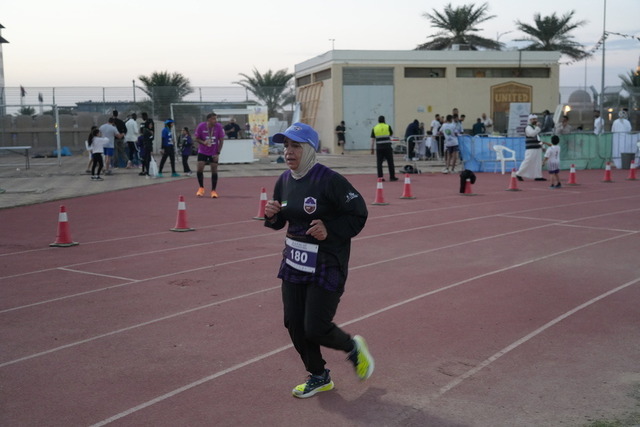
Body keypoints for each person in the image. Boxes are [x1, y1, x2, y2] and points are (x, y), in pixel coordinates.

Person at [262, 122, 374, 399]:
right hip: (294, 262)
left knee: (315, 327)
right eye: (286, 146)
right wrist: (272, 215)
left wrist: (329, 229)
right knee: (293, 323)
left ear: (310, 149)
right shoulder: (284, 180)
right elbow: (281, 220)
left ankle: (352, 348)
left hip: (326, 262)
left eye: (296, 146)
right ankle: (319, 376)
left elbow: (358, 214)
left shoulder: (330, 180)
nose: (288, 152)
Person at [194, 112, 225, 198]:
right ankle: (201, 188)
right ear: (209, 119)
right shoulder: (201, 126)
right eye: (213, 119)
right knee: (200, 168)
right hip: (203, 151)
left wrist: (218, 153)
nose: (215, 120)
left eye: (216, 118)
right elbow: (196, 138)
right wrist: (203, 142)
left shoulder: (218, 126)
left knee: (214, 169)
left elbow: (221, 141)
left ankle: (213, 191)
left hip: (213, 152)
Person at [516, 114, 548, 182]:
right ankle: (519, 174)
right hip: (531, 148)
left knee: (538, 163)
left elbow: (538, 139)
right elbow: (532, 134)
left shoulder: (535, 128)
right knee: (528, 161)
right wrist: (537, 127)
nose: (534, 120)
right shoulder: (528, 127)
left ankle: (538, 176)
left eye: (535, 119)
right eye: (533, 119)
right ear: (530, 120)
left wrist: (542, 146)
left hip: (537, 148)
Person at [370, 115, 398, 182]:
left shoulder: (375, 128)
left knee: (379, 163)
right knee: (390, 162)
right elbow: (392, 135)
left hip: (379, 148)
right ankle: (392, 177)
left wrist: (372, 149)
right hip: (387, 147)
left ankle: (380, 177)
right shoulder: (388, 126)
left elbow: (372, 139)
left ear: (378, 120)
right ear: (384, 120)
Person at [139, 112, 155, 176]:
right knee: (146, 158)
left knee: (147, 158)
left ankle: (146, 171)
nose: (151, 126)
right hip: (147, 145)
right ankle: (147, 171)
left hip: (147, 145)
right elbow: (149, 138)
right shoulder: (147, 130)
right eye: (150, 125)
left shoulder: (147, 128)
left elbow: (151, 138)